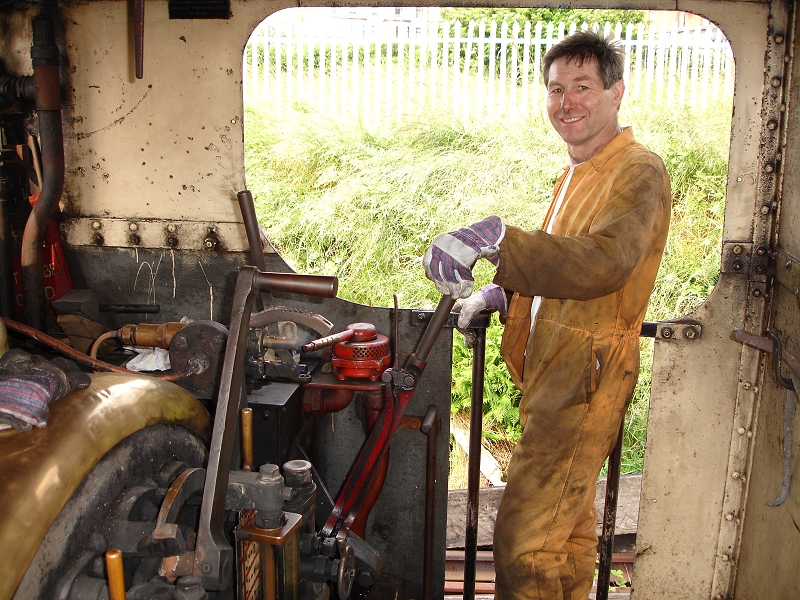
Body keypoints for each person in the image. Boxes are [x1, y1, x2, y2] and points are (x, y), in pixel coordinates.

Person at [423, 31, 671, 599]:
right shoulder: (581, 172)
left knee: (523, 544)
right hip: (558, 374)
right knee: (569, 533)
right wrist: (504, 293)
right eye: (556, 90)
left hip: (583, 380)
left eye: (583, 87)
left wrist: (499, 242)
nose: (567, 102)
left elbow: (605, 262)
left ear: (616, 92)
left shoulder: (638, 171)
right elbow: (564, 266)